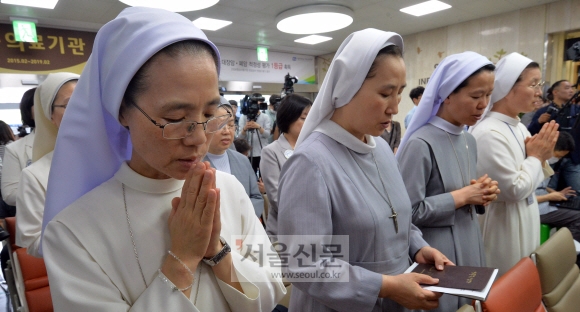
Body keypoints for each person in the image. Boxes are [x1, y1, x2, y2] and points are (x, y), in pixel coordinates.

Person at [41, 8, 285, 311]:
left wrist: (217, 251)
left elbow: (272, 288)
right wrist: (182, 258)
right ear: (121, 111)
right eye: (175, 118)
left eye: (210, 115)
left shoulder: (229, 188)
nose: (198, 139)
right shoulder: (72, 232)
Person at [278, 28, 453, 312]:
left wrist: (418, 247)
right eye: (386, 93)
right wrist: (385, 286)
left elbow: (396, 217)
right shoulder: (311, 162)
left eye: (399, 93)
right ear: (348, 86)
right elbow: (304, 265)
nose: (395, 108)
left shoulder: (381, 149)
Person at [397, 51, 500, 311]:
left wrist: (481, 194)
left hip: (470, 239)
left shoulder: (469, 139)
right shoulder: (420, 143)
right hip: (437, 250)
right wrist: (463, 196)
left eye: (489, 95)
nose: (483, 104)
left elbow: (464, 191)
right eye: (476, 96)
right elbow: (405, 213)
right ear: (448, 94)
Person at [470, 52, 558, 276]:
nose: (540, 92)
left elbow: (528, 175)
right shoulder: (488, 132)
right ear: (509, 87)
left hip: (524, 212)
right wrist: (537, 158)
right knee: (506, 285)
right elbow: (513, 189)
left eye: (541, 84)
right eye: (533, 84)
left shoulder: (518, 126)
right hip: (503, 224)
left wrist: (540, 156)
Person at [15, 72, 79, 257]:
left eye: (87, 99)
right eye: (69, 104)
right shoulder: (36, 175)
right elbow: (33, 241)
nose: (83, 108)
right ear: (51, 116)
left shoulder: (121, 159)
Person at [260, 94, 312, 240]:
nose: (309, 122)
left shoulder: (313, 148)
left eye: (311, 117)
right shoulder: (271, 151)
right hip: (285, 232)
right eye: (303, 118)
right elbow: (277, 198)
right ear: (289, 117)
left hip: (315, 229)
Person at [203, 104, 264, 218]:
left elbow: (256, 197)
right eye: (219, 125)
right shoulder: (196, 164)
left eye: (231, 125)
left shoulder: (242, 160)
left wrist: (243, 221)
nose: (226, 131)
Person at [528, 80, 580, 193]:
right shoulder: (544, 111)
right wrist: (538, 122)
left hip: (573, 158)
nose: (571, 90)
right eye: (567, 88)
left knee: (577, 190)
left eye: (572, 88)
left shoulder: (577, 111)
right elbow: (530, 133)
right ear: (555, 92)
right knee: (546, 189)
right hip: (550, 157)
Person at [535, 132, 580, 245]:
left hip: (545, 203)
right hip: (536, 209)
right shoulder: (530, 164)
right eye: (558, 156)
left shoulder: (543, 162)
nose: (558, 159)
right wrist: (549, 196)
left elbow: (540, 186)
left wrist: (556, 193)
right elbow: (524, 199)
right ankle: (563, 250)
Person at [1, 87, 36, 206]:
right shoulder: (15, 149)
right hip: (35, 220)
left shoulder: (78, 144)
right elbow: (9, 194)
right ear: (29, 112)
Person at [238, 94, 271, 174]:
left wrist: (259, 127)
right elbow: (239, 137)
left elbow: (267, 135)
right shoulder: (244, 117)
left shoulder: (265, 117)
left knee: (262, 176)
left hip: (261, 152)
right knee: (249, 174)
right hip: (247, 153)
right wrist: (245, 128)